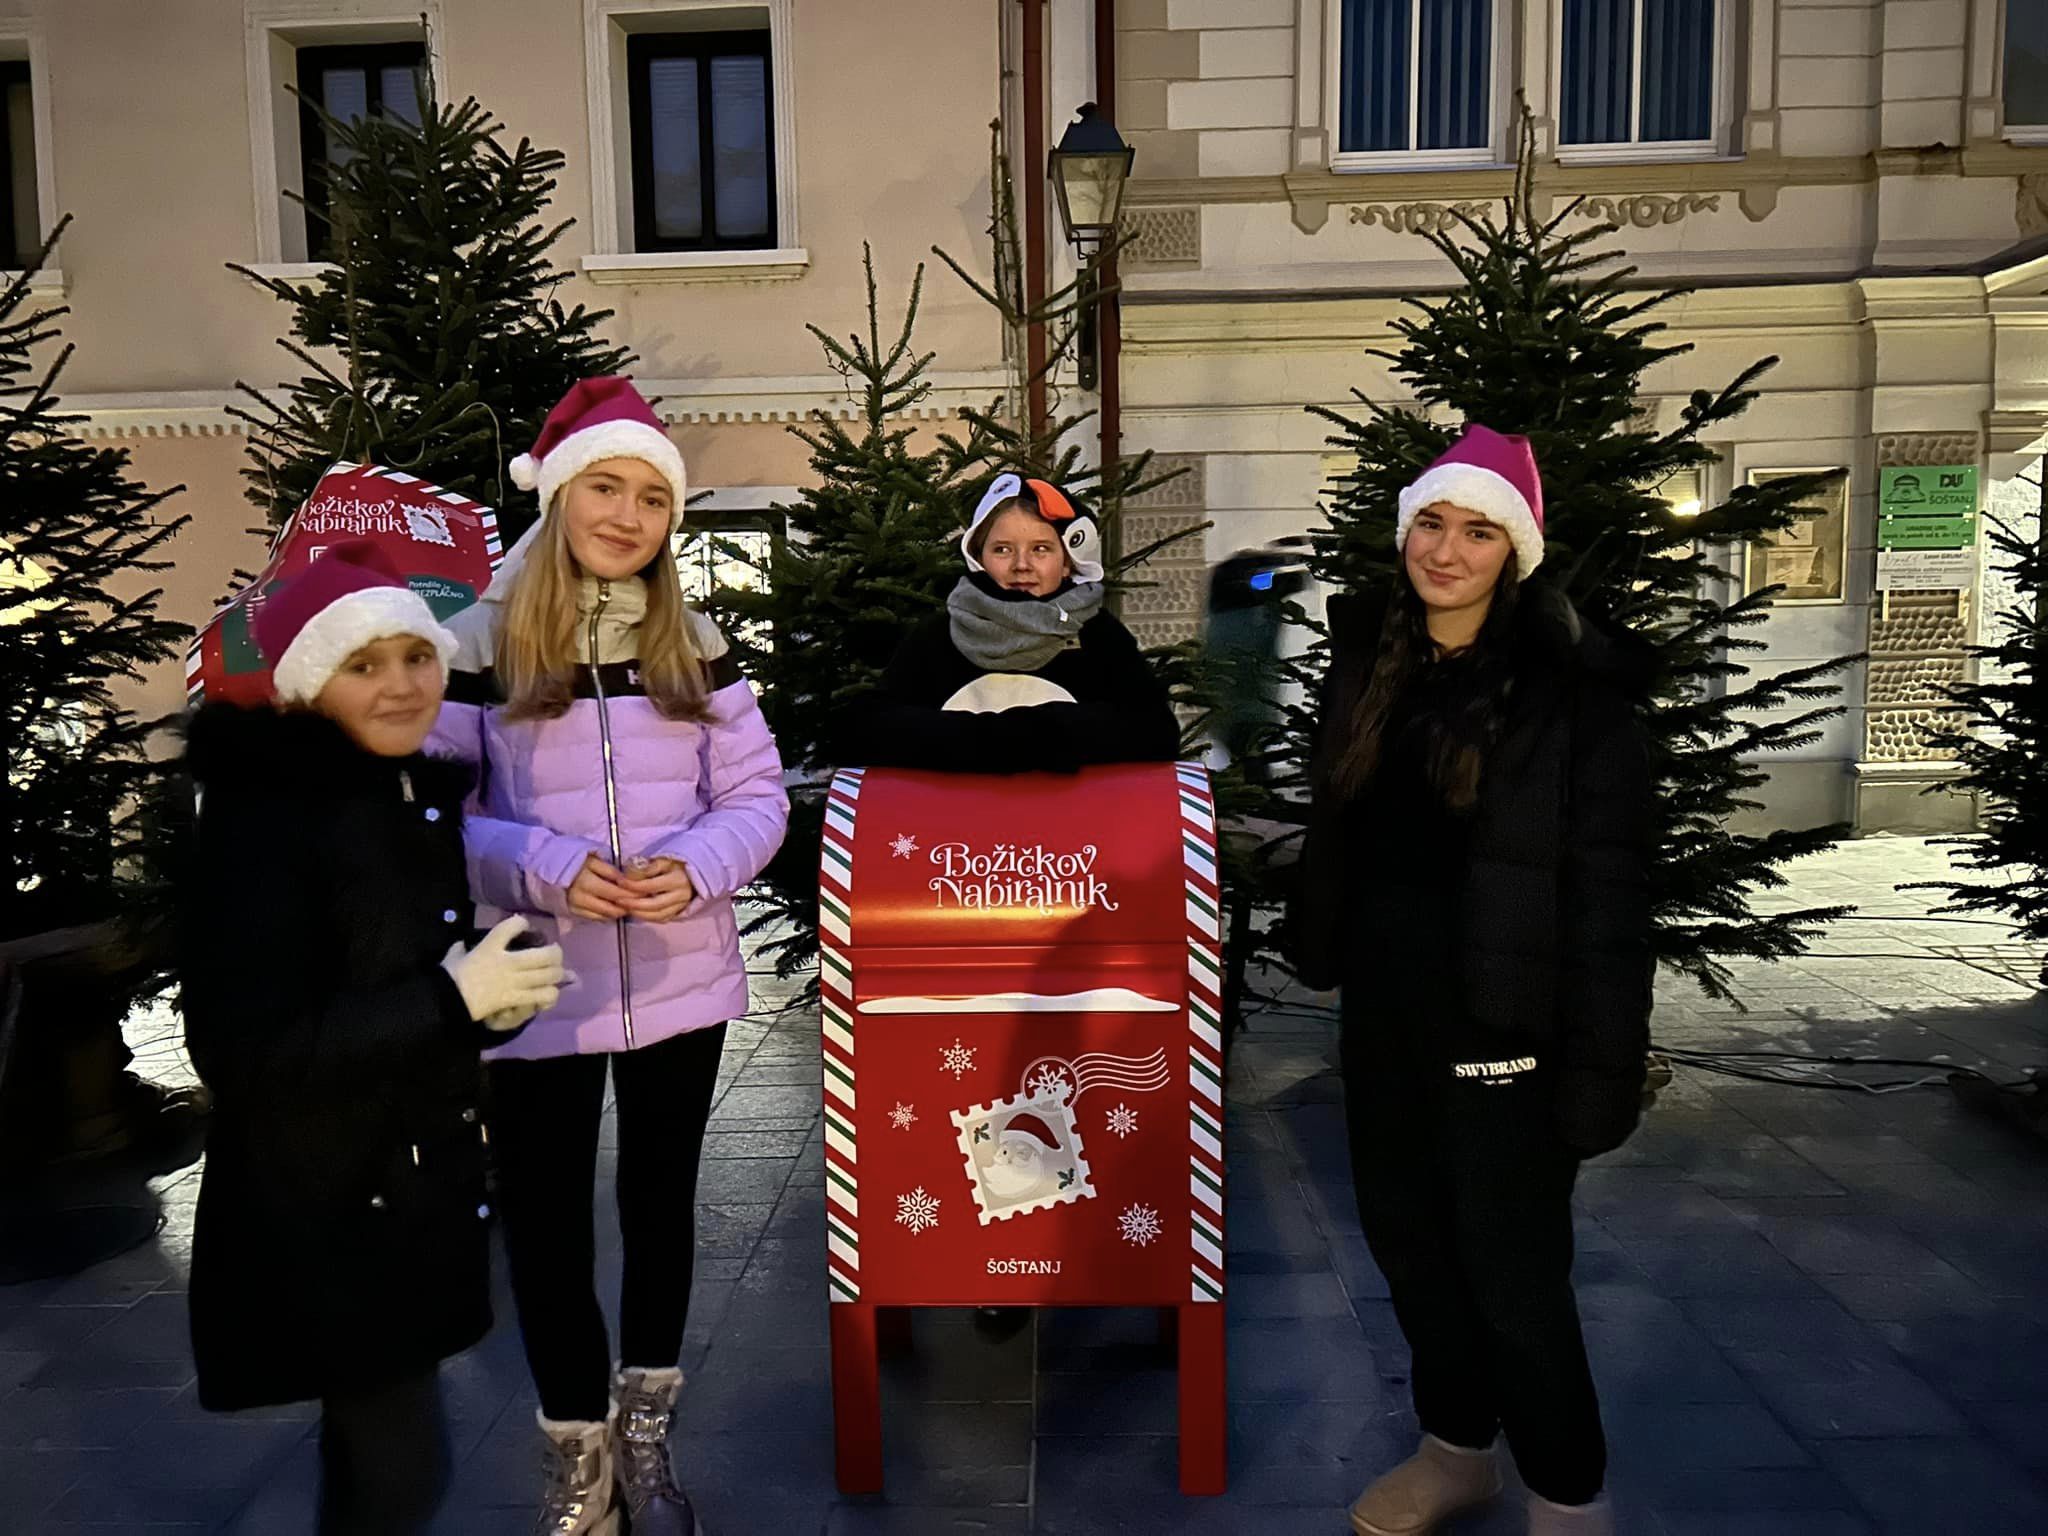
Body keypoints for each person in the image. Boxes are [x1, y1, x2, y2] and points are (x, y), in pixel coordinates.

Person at [431, 377, 789, 1536]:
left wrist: (697, 864)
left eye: (651, 497)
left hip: (680, 977)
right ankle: (577, 1457)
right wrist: (540, 865)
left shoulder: (692, 639)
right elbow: (432, 816)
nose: (627, 516)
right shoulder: (474, 643)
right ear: (557, 494)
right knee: (544, 1224)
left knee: (660, 1206)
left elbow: (756, 795)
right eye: (605, 487)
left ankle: (645, 1435)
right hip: (536, 983)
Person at [1291, 426, 1654, 1536]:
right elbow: (1347, 827)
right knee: (1409, 1245)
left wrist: (1601, 1067)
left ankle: (1567, 1496)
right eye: (1432, 524)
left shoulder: (1573, 689)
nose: (1445, 552)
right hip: (1386, 1015)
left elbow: (1609, 892)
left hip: (1506, 1024)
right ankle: (1457, 1450)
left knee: (1512, 1276)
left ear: (1516, 551)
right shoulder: (1373, 656)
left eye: (1478, 532)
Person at [180, 541, 565, 1535]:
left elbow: (387, 972)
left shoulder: (397, 792)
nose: (402, 685)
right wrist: (450, 1000)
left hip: (401, 1188)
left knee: (376, 1465)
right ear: (312, 683)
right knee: (401, 1473)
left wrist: (491, 995)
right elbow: (243, 1049)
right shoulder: (266, 822)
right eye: (365, 664)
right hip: (332, 1204)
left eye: (417, 656)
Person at [839, 473, 1179, 771]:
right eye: (1002, 549)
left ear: (1067, 562)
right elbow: (868, 730)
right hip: (957, 821)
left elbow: (1154, 732)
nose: (1021, 565)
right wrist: (993, 740)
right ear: (978, 557)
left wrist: (1039, 734)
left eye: (1041, 549)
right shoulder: (939, 634)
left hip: (1075, 823)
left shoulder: (1098, 635)